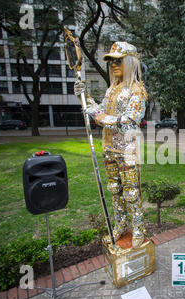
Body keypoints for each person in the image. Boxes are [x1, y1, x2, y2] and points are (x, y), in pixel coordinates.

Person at [74, 42, 147, 248]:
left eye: (119, 60)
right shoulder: (111, 90)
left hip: (127, 149)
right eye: (111, 61)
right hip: (109, 148)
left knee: (131, 191)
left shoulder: (137, 90)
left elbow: (129, 120)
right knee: (114, 188)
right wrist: (85, 96)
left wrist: (99, 116)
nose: (114, 65)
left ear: (130, 62)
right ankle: (121, 223)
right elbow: (99, 110)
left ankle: (138, 226)